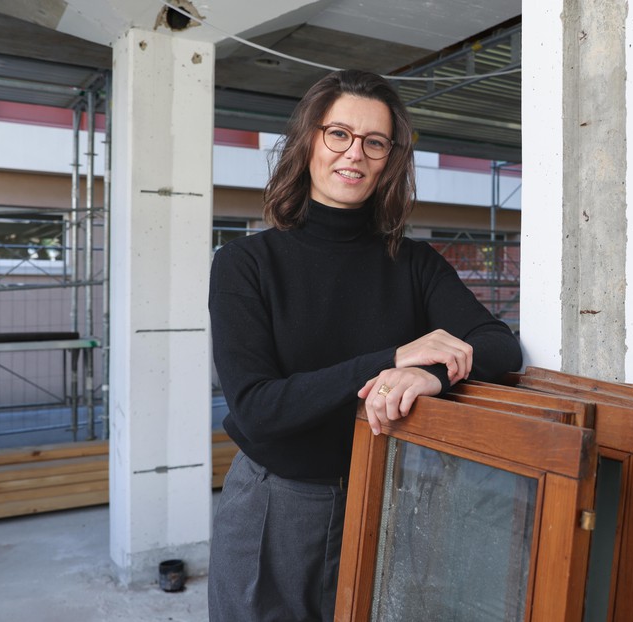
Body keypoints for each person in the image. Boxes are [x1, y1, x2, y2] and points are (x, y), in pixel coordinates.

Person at [207, 69, 523, 621]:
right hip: (277, 506)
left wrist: (433, 375)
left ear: (389, 160)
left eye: (375, 142)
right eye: (339, 134)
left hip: (389, 495)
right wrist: (393, 359)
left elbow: (498, 346)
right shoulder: (246, 265)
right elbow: (257, 408)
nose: (354, 153)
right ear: (309, 140)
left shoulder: (414, 264)